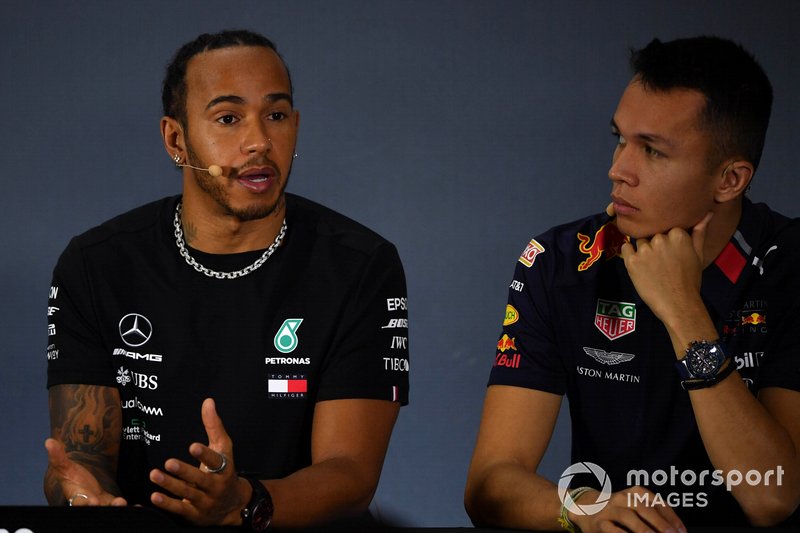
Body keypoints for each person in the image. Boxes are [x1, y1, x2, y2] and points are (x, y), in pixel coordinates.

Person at [44, 29, 409, 529]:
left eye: (276, 115)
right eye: (228, 118)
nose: (260, 141)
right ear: (176, 139)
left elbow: (350, 475)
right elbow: (80, 458)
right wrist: (85, 502)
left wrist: (244, 503)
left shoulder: (361, 266)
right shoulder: (96, 264)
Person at [465, 36, 800, 530]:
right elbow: (490, 483)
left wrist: (684, 310)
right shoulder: (559, 262)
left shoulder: (790, 265)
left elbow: (773, 498)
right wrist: (583, 511)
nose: (618, 170)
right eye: (621, 138)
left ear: (730, 179)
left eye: (654, 152)